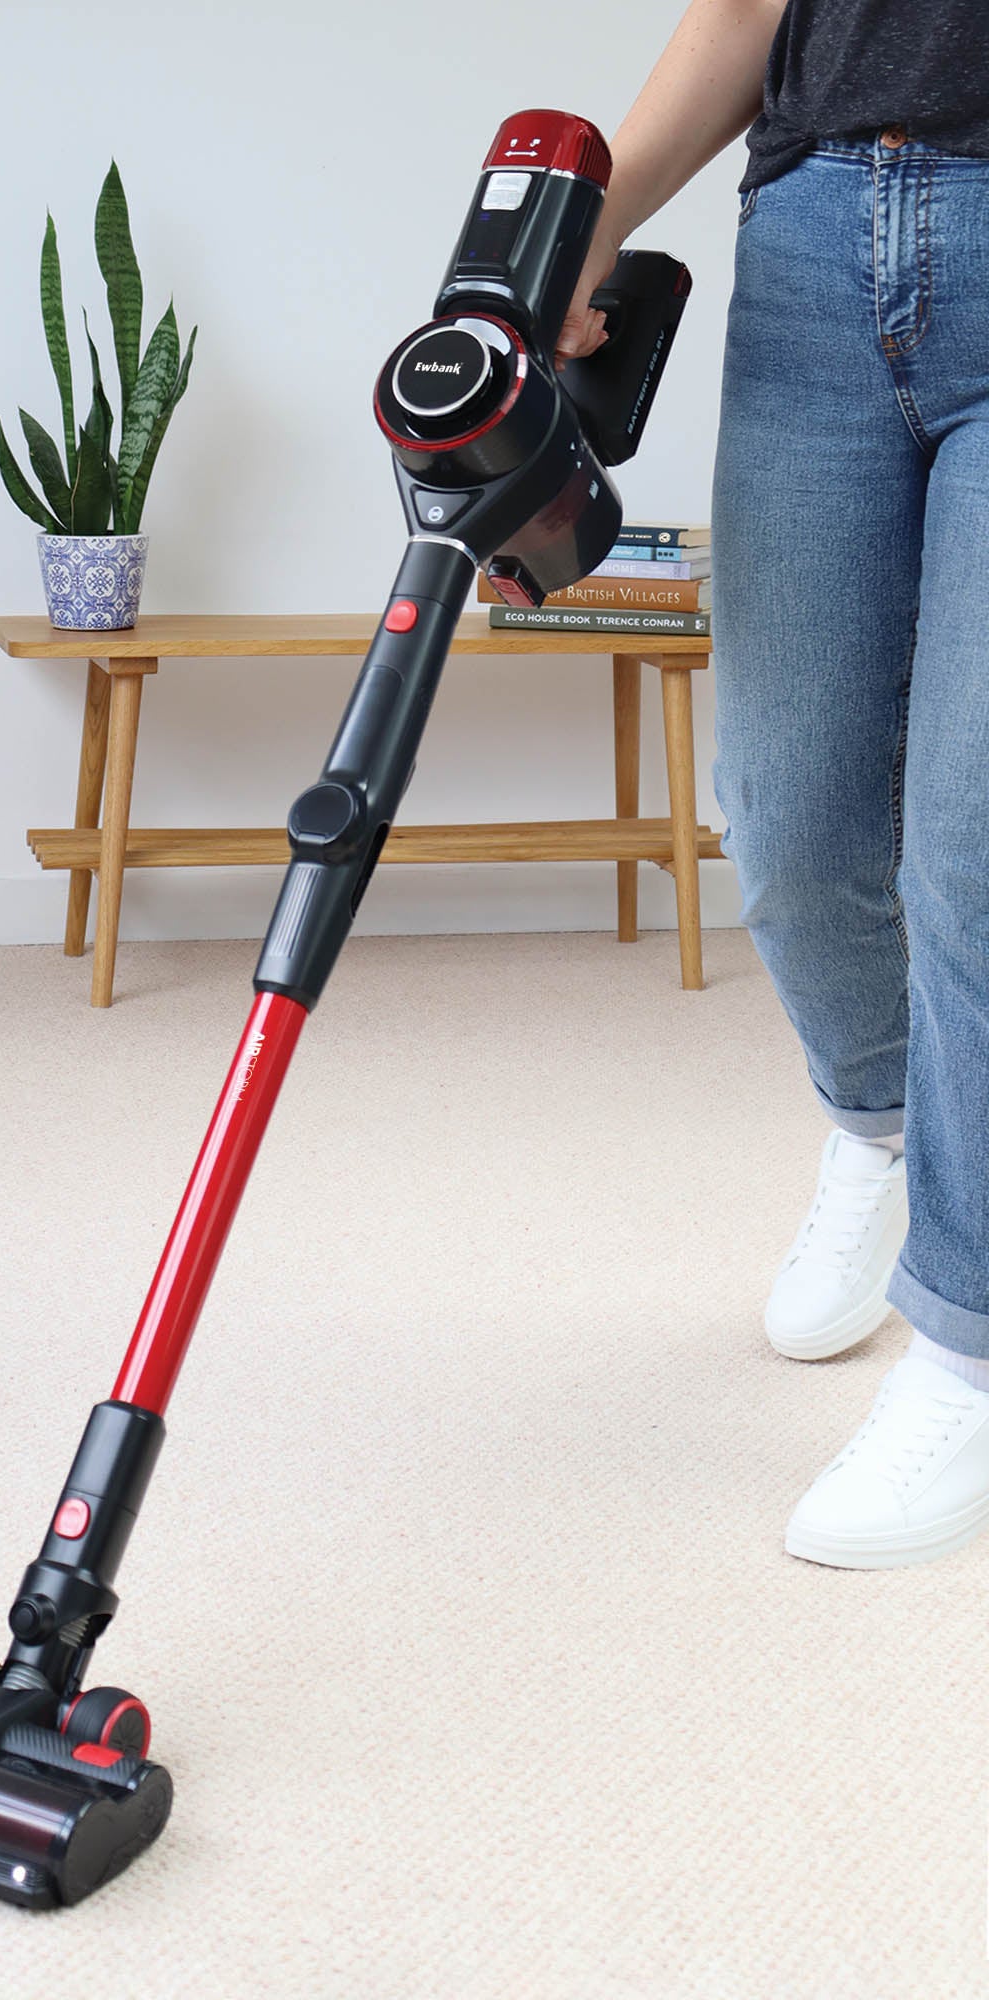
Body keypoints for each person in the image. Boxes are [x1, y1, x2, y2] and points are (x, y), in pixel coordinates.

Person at [557, 0, 989, 1568]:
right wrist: (581, 237)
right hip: (813, 247)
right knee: (789, 815)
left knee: (972, 841)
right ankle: (881, 1125)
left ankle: (964, 1348)